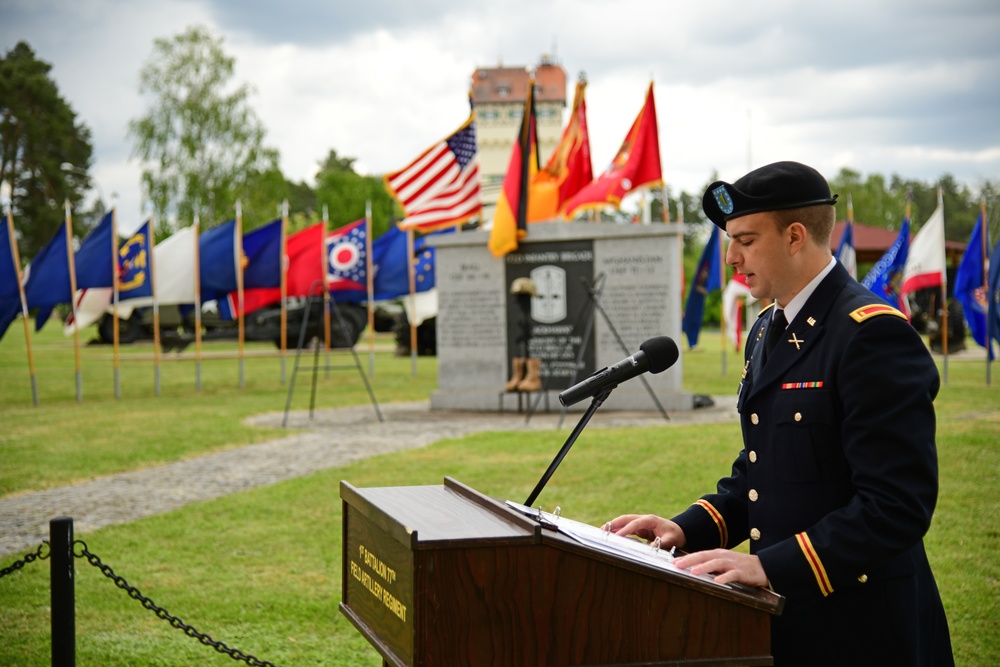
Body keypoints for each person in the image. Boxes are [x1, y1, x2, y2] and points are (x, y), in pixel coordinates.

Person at [608, 161, 953, 665]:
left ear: (795, 237)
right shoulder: (767, 329)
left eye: (745, 240)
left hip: (862, 627)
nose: (730, 257)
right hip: (788, 613)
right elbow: (765, 472)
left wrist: (770, 566)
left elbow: (896, 505)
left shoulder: (870, 334)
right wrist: (686, 529)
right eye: (730, 241)